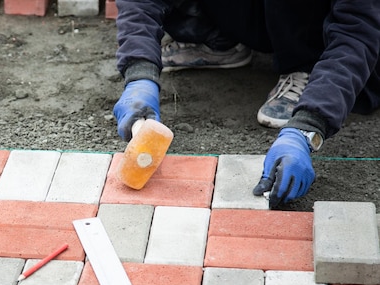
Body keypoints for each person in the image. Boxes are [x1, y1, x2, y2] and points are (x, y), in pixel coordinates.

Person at [112, 0, 380, 209]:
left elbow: (356, 34)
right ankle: (220, 40)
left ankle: (307, 68)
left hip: (329, 30)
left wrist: (309, 126)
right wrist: (139, 75)